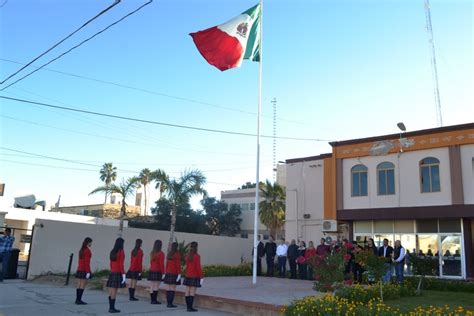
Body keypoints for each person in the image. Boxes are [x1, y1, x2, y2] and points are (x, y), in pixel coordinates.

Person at [106, 237, 126, 313]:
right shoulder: (121, 251)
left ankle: (111, 307)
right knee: (114, 290)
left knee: (111, 290)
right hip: (118, 272)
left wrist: (112, 270)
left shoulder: (113, 251)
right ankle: (112, 308)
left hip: (112, 272)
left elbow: (111, 263)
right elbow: (121, 264)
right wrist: (123, 274)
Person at [183, 242, 203, 312]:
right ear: (196, 247)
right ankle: (190, 308)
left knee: (187, 290)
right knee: (192, 291)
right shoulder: (197, 256)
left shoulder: (187, 256)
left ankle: (188, 307)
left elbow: (187, 266)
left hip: (188, 275)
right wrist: (201, 277)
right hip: (194, 275)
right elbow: (198, 267)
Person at [75, 237, 92, 305]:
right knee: (83, 284)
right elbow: (86, 262)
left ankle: (77, 299)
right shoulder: (87, 250)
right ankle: (79, 300)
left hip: (80, 268)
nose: (91, 244)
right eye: (91, 242)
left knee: (79, 283)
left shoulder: (81, 250)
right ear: (88, 243)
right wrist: (88, 271)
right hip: (84, 269)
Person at [163, 242, 181, 308]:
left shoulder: (169, 254)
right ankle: (170, 303)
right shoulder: (177, 254)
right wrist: (179, 273)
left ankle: (168, 303)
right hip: (174, 273)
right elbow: (178, 265)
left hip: (168, 272)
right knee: (173, 288)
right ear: (177, 247)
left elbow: (166, 264)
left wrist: (165, 272)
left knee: (168, 288)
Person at [148, 240, 165, 305]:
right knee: (156, 286)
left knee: (151, 285)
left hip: (152, 270)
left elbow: (151, 262)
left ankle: (152, 300)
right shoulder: (161, 253)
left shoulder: (152, 253)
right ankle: (154, 300)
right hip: (158, 270)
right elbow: (161, 264)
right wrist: (163, 273)